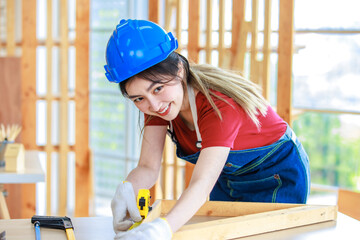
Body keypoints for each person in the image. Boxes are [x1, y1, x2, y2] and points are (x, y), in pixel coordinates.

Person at [104, 19, 310, 240]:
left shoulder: (219, 107)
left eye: (158, 88)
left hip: (276, 173)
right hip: (227, 176)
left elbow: (201, 184)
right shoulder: (157, 105)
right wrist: (128, 188)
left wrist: (161, 230)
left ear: (180, 70)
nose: (153, 106)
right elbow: (147, 166)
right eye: (138, 98)